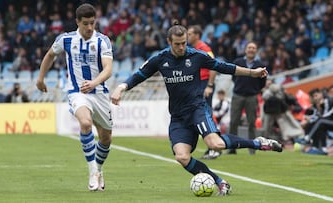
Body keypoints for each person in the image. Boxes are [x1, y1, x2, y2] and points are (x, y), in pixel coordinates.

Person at [111, 24, 282, 196]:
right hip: (178, 117)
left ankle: (259, 143)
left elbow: (223, 67)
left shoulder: (197, 55)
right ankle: (220, 182)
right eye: (177, 44)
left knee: (216, 144)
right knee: (182, 157)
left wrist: (252, 73)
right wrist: (121, 88)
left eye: (184, 43)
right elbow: (140, 75)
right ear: (169, 42)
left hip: (197, 110)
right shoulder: (160, 59)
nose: (181, 47)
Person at [36, 3, 113, 192]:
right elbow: (49, 55)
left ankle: (99, 170)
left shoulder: (103, 41)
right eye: (85, 23)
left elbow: (108, 69)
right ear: (77, 22)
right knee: (85, 123)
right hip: (77, 92)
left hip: (100, 94)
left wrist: (94, 82)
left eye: (92, 23)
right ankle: (93, 171)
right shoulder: (66, 39)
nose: (89, 28)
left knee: (106, 138)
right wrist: (40, 78)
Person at [227, 42, 267, 155]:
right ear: (245, 50)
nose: (251, 50)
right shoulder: (238, 62)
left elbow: (262, 82)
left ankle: (252, 149)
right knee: (234, 121)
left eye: (254, 48)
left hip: (252, 97)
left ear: (256, 50)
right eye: (249, 47)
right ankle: (232, 147)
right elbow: (233, 77)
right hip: (237, 95)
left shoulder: (260, 64)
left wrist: (254, 90)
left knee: (252, 123)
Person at [187, 25, 218, 159]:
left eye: (190, 34)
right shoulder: (193, 49)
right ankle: (211, 146)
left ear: (197, 35)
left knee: (206, 114)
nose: (187, 36)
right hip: (198, 84)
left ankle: (215, 147)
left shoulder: (204, 48)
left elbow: (214, 66)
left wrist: (210, 85)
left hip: (205, 83)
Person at [299, 88, 333, 154]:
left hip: (329, 121)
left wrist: (319, 115)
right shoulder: (315, 105)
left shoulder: (329, 101)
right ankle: (319, 148)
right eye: (313, 97)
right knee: (314, 124)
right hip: (327, 122)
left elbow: (329, 114)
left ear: (321, 94)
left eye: (316, 95)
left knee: (320, 121)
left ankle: (307, 139)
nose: (315, 98)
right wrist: (307, 121)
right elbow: (315, 116)